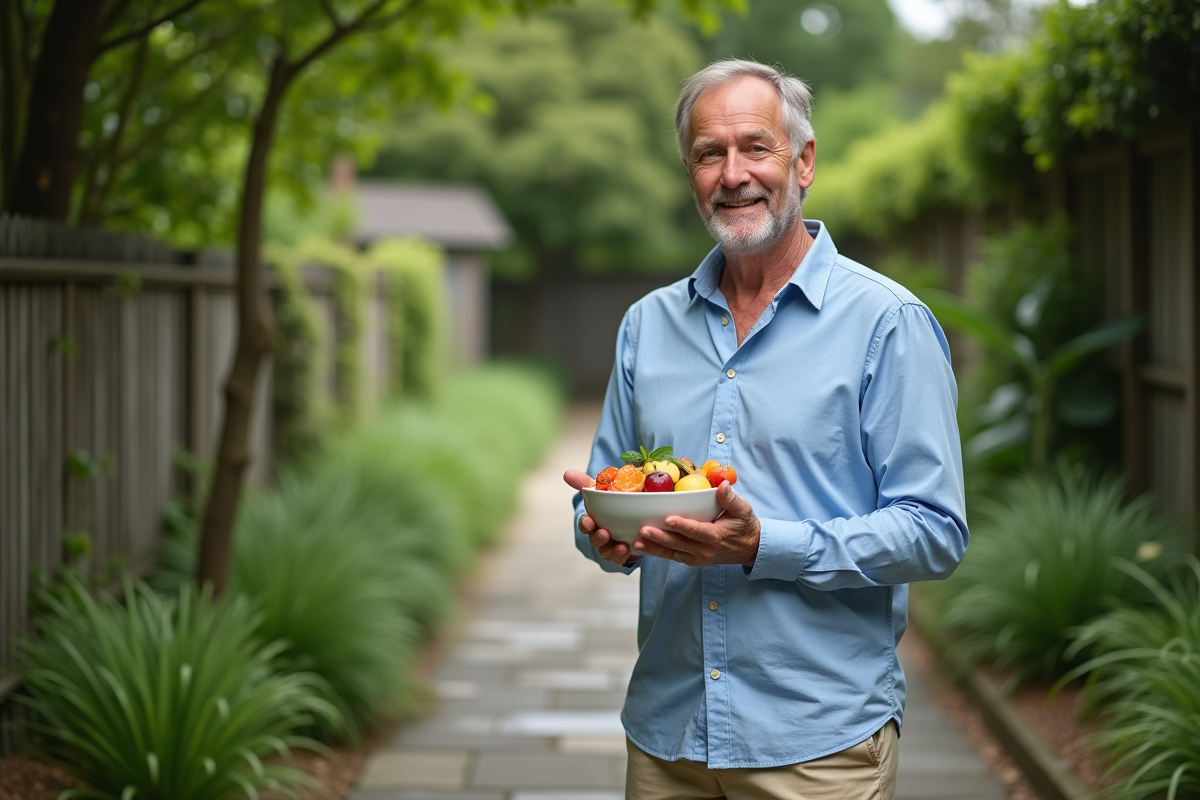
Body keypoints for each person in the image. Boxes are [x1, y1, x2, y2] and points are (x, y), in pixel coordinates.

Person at [562, 59, 969, 799]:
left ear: (803, 162)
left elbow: (934, 531)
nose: (733, 174)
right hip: (667, 737)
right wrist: (603, 534)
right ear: (690, 174)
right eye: (709, 154)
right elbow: (606, 493)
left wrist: (765, 547)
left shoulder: (887, 324)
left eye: (756, 147)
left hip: (817, 746)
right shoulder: (647, 326)